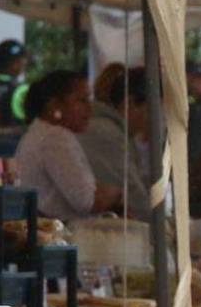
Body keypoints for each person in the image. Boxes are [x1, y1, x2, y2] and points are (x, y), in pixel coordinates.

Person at [15, 70, 121, 221]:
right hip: (63, 237)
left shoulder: (40, 133)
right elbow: (86, 202)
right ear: (54, 106)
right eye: (82, 100)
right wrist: (118, 194)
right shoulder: (55, 137)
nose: (89, 109)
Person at [79, 65, 151, 218]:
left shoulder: (118, 132)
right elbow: (137, 201)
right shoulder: (106, 134)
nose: (160, 119)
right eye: (156, 109)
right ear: (130, 103)